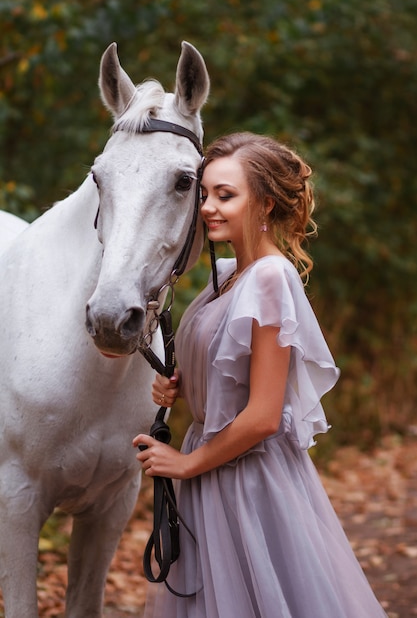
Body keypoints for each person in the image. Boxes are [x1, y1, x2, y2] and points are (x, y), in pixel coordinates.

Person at [133, 132, 387, 618]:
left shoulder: (270, 278)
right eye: (205, 194)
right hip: (212, 469)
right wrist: (185, 385)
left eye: (226, 195)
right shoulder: (226, 274)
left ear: (265, 204)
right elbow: (232, 367)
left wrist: (185, 464)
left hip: (248, 480)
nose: (208, 207)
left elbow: (265, 416)